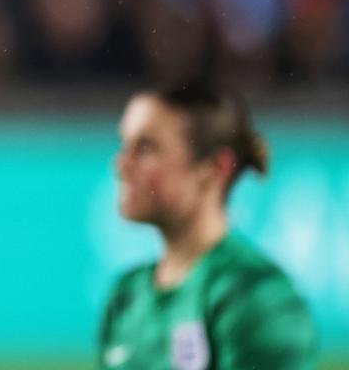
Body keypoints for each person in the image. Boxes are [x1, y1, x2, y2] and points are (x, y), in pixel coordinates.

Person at [100, 83, 318, 370]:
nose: (122, 164)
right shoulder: (127, 297)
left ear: (215, 167)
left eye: (146, 148)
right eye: (124, 144)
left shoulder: (256, 295)